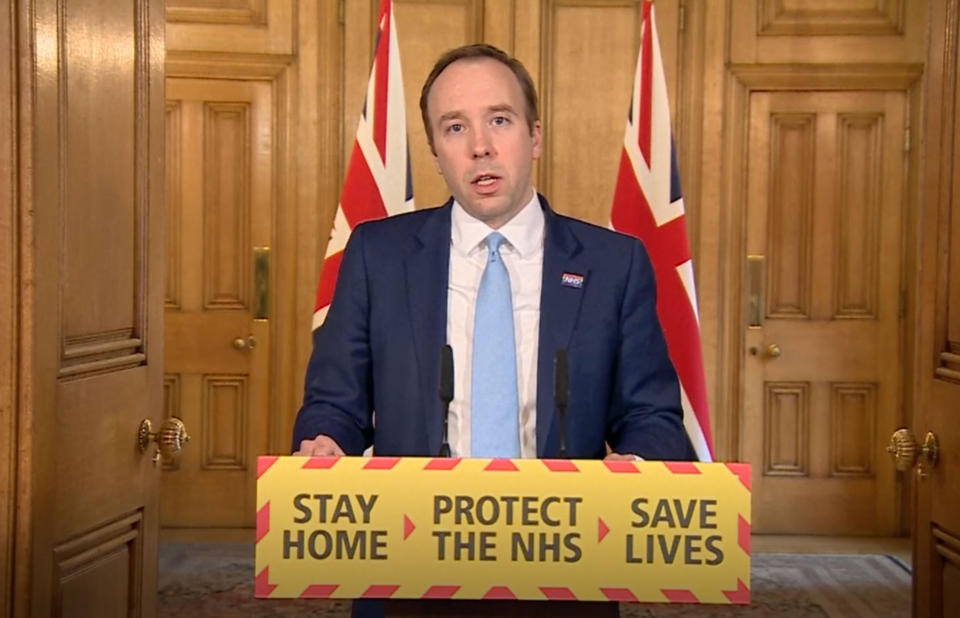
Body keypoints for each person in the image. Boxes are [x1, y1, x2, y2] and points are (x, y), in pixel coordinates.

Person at [292, 43, 694, 617]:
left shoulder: (614, 264)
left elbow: (652, 416)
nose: (479, 145)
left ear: (534, 136)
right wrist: (324, 443)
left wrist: (633, 465)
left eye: (498, 120)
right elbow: (335, 401)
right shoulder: (378, 257)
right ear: (435, 152)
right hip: (410, 566)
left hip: (563, 570)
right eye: (454, 127)